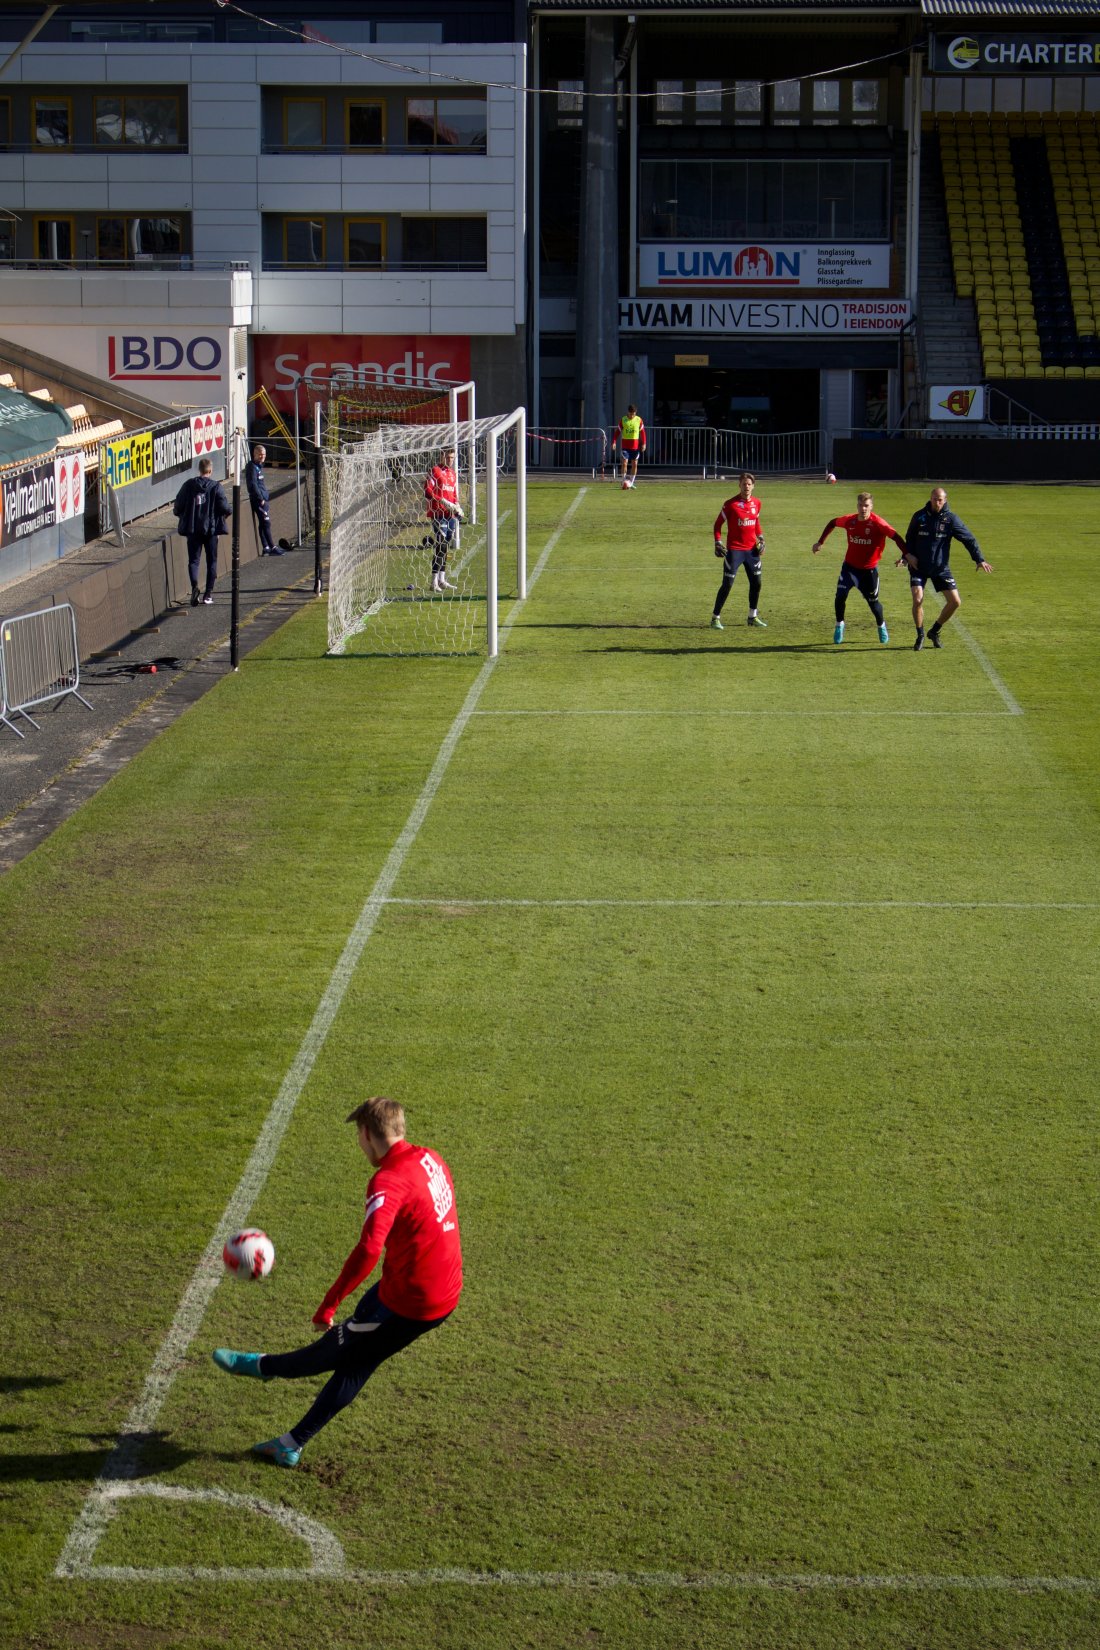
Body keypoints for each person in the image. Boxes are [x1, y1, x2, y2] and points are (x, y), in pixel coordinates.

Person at [212, 1096, 462, 1468]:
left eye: (358, 1136)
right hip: (429, 1282)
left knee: (335, 1353)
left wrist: (329, 1302)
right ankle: (291, 1443)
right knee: (356, 1360)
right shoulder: (429, 1157)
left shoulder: (387, 1181)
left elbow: (369, 1249)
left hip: (412, 1301)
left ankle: (262, 1367)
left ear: (366, 1134)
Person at [900, 485, 992, 651]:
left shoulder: (951, 520)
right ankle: (920, 635)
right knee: (917, 598)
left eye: (940, 500)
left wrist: (979, 559)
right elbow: (909, 538)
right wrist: (906, 556)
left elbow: (969, 539)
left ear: (945, 500)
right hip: (918, 565)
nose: (937, 503)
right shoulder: (919, 516)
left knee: (955, 602)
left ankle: (934, 631)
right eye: (934, 499)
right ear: (930, 498)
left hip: (940, 567)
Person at [812, 491, 905, 646]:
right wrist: (820, 542)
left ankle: (881, 626)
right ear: (857, 506)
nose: (863, 509)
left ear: (871, 506)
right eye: (861, 505)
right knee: (840, 597)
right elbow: (832, 523)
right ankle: (839, 625)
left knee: (873, 604)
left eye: (866, 506)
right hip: (849, 568)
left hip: (868, 572)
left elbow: (897, 537)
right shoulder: (850, 520)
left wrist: (905, 556)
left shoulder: (879, 524)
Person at [710, 471, 767, 631]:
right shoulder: (730, 505)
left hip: (751, 551)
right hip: (735, 550)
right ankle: (715, 618)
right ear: (739, 485)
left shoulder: (757, 503)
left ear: (753, 486)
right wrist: (718, 542)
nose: (746, 487)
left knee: (757, 583)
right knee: (727, 584)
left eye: (749, 484)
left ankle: (752, 616)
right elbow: (717, 525)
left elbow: (756, 523)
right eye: (744, 484)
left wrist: (761, 538)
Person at [173, 457, 230, 607]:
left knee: (193, 561)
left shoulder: (189, 485)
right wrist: (223, 516)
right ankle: (208, 594)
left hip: (193, 530)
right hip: (210, 530)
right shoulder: (216, 486)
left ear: (199, 470)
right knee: (212, 561)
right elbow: (225, 507)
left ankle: (194, 587)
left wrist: (182, 515)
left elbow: (178, 505)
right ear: (210, 471)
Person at [424, 447, 463, 592]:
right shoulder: (435, 471)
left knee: (445, 546)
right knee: (440, 544)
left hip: (450, 515)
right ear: (441, 457)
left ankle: (442, 580)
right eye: (447, 457)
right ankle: (433, 582)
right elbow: (427, 492)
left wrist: (457, 506)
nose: (450, 460)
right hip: (438, 514)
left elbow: (453, 494)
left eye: (452, 458)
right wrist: (442, 501)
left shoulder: (452, 474)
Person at [243, 443, 284, 556]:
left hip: (264, 499)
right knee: (266, 523)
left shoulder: (258, 467)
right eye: (260, 454)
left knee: (262, 524)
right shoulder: (251, 467)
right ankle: (272, 547)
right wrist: (260, 498)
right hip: (258, 500)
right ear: (254, 454)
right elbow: (253, 485)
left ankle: (266, 547)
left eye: (264, 454)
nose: (262, 456)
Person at [612, 404, 646, 489]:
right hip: (625, 447)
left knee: (634, 464)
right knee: (624, 463)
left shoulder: (639, 420)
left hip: (635, 447)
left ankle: (631, 482)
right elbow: (617, 432)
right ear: (628, 412)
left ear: (635, 412)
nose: (632, 416)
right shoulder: (623, 420)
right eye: (631, 414)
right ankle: (623, 481)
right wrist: (614, 442)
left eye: (633, 414)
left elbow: (643, 433)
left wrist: (644, 443)